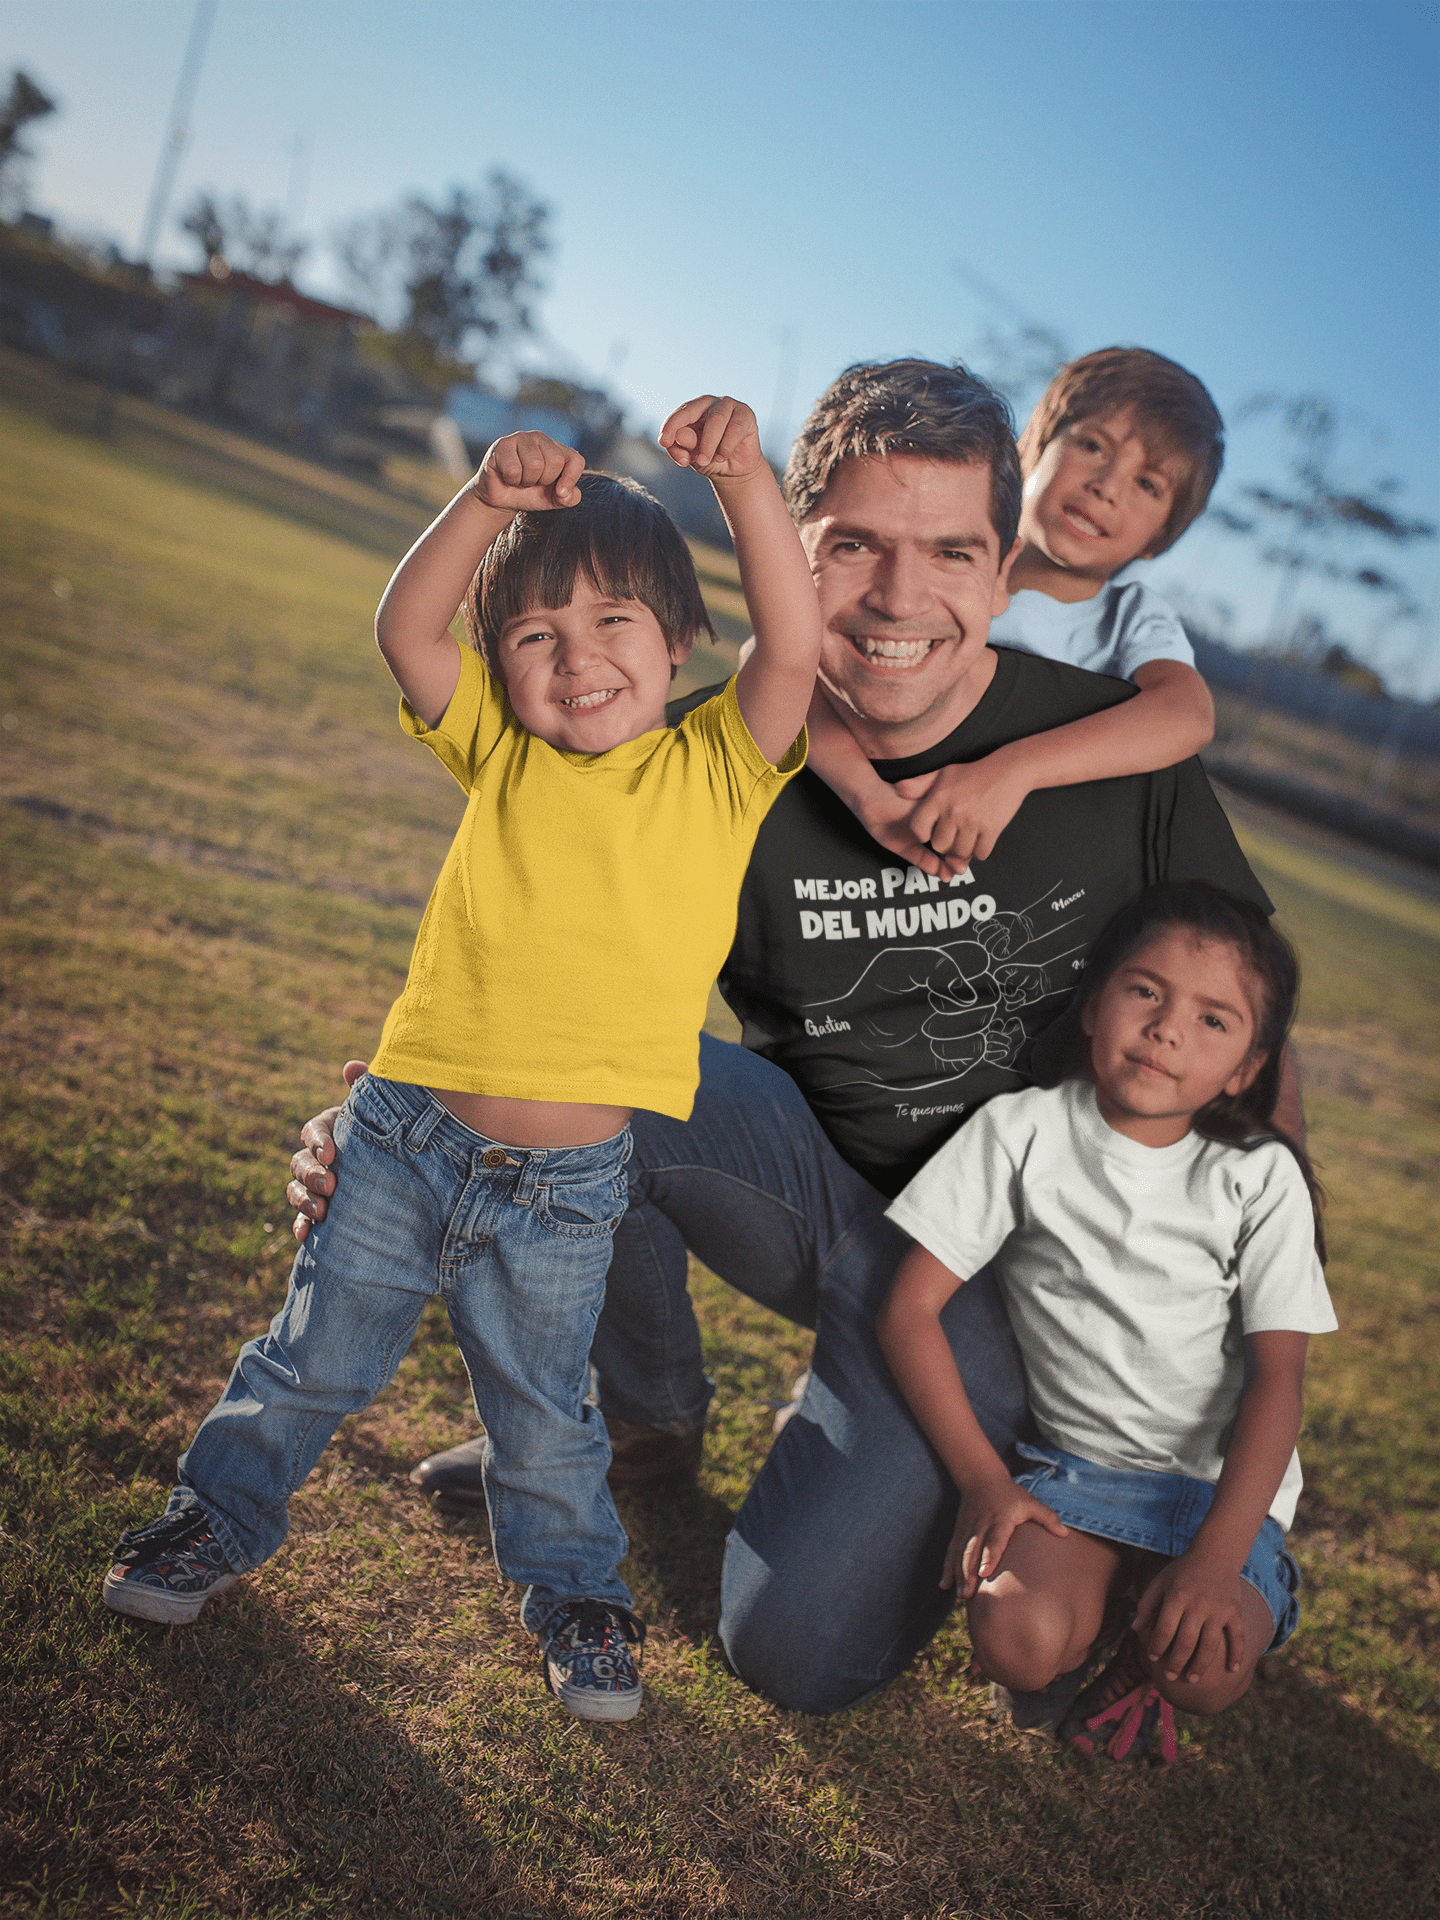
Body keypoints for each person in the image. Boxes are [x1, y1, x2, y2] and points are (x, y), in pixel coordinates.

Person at [290, 358, 1303, 1717]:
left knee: (794, 1650)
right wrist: (392, 1123)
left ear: (1004, 567)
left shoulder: (1112, 751)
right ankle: (642, 1419)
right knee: (609, 1088)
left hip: (1001, 1285)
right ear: (789, 549)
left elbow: (1253, 1038)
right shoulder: (693, 759)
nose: (898, 598)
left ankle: (1022, 1492)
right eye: (854, 548)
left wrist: (1252, 1294)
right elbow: (535, 983)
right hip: (813, 1184)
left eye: (950, 553)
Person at [102, 395, 818, 1724]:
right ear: (501, 662)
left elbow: (795, 643)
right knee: (310, 1360)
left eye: (614, 622)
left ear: (679, 639)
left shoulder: (719, 769)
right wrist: (486, 499)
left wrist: (748, 489)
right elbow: (405, 630)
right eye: (537, 635)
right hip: (403, 1140)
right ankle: (213, 1520)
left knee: (545, 1417)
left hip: (567, 1189)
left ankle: (578, 1601)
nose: (578, 658)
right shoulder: (503, 748)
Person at [878, 881, 1334, 1763]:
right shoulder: (1021, 1131)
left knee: (1204, 1672)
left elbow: (1279, 1380)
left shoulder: (1257, 1176)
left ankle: (1152, 1633)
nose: (1167, 1028)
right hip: (1082, 1475)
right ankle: (1110, 1599)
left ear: (1247, 1069)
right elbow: (909, 1311)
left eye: (1213, 1019)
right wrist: (983, 1481)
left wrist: (1216, 1559)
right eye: (1146, 991)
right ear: (1094, 1004)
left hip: (1218, 1497)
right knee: (1017, 1643)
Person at [803, 347, 1220, 879]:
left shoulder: (1129, 618)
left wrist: (1011, 772)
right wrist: (866, 795)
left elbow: (1187, 715)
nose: (1107, 487)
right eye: (1092, 445)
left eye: (1148, 484)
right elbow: (780, 669)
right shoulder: (928, 584)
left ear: (1161, 538)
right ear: (1033, 448)